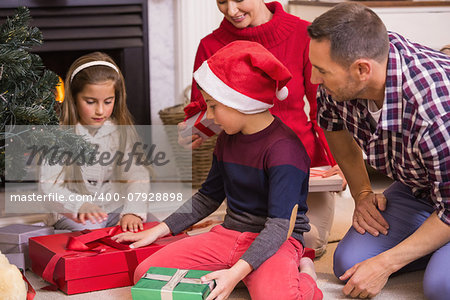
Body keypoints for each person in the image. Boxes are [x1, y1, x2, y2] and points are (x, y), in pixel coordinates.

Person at [113, 41, 323, 300]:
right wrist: (158, 230)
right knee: (146, 275)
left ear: (242, 102)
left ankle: (304, 270)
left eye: (213, 106)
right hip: (228, 235)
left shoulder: (285, 149)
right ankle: (247, 273)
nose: (209, 116)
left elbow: (279, 228)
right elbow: (208, 197)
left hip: (276, 240)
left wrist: (234, 274)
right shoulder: (226, 138)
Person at [178, 0, 344, 257]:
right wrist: (196, 129)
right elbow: (204, 112)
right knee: (241, 241)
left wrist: (340, 164)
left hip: (304, 171)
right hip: (248, 173)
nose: (231, 10)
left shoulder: (305, 35)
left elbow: (324, 110)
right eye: (222, 1)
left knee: (305, 242)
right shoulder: (209, 45)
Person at [307, 3, 450, 299]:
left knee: (441, 286)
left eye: (322, 72)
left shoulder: (435, 109)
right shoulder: (342, 75)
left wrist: (386, 263)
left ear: (362, 69)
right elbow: (336, 131)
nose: (314, 80)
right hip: (423, 186)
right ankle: (435, 242)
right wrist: (362, 194)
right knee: (350, 264)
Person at [39, 52, 151, 232]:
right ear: (74, 98)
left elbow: (137, 175)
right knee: (93, 231)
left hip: (114, 208)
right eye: (90, 102)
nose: (100, 110)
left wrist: (133, 211)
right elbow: (48, 187)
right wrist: (80, 205)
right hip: (72, 212)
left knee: (148, 225)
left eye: (108, 101)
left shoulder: (119, 132)